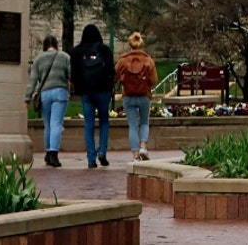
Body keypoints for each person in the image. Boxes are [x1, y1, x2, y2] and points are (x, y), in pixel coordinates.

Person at [70, 23, 114, 168]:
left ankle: (91, 158)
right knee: (104, 122)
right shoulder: (105, 50)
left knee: (89, 123)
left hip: (85, 92)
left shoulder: (76, 52)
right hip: (102, 90)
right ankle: (102, 151)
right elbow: (111, 71)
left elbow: (74, 74)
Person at [25, 35, 71, 167]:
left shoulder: (38, 59)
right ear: (56, 44)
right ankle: (54, 154)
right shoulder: (65, 57)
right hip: (60, 92)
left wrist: (27, 98)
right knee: (56, 123)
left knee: (48, 125)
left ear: (45, 45)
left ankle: (47, 153)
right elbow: (70, 74)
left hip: (45, 94)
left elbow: (32, 80)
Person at [114, 31, 157, 161]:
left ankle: (135, 155)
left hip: (128, 95)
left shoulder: (122, 60)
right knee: (144, 122)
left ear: (130, 45)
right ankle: (143, 146)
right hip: (144, 95)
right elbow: (154, 80)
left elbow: (114, 76)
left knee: (133, 125)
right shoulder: (148, 60)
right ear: (141, 45)